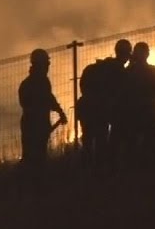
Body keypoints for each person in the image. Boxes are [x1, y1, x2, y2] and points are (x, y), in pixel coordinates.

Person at [78, 39, 130, 173]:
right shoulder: (119, 71)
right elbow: (121, 94)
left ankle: (86, 172)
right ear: (126, 54)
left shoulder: (98, 68)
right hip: (100, 111)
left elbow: (83, 86)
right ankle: (100, 173)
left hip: (86, 109)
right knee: (101, 142)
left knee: (88, 143)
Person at [18, 48, 68, 188]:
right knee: (31, 157)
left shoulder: (42, 81)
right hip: (32, 126)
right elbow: (32, 105)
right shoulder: (30, 85)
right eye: (46, 63)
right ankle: (29, 186)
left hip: (39, 125)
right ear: (39, 64)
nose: (48, 66)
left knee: (39, 157)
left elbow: (49, 98)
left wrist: (59, 111)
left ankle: (36, 185)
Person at [124, 42, 155, 167]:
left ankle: (134, 167)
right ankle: (151, 166)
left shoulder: (128, 72)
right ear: (148, 54)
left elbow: (123, 92)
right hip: (151, 112)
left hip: (134, 113)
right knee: (150, 140)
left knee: (133, 142)